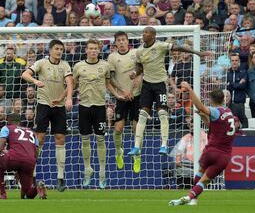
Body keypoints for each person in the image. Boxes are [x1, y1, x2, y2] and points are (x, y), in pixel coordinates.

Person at [127, 27, 211, 173]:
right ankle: (136, 146)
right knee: (142, 115)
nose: (143, 34)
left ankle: (164, 145)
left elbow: (179, 47)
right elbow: (139, 66)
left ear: (153, 36)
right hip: (147, 85)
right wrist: (135, 73)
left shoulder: (160, 46)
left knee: (162, 114)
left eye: (146, 32)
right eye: (143, 32)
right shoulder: (139, 50)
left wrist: (197, 53)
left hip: (160, 84)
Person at [169, 81, 236, 206]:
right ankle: (191, 197)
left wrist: (189, 89)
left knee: (200, 172)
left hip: (211, 151)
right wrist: (204, 118)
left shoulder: (217, 112)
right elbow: (216, 127)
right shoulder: (230, 113)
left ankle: (192, 199)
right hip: (224, 156)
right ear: (224, 99)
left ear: (211, 100)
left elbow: (200, 107)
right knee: (204, 181)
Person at [21, 39, 73, 192]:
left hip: (59, 105)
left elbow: (70, 82)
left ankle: (60, 178)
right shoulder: (41, 63)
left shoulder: (65, 65)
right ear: (50, 50)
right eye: (56, 49)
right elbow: (25, 74)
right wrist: (35, 81)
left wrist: (67, 98)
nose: (59, 51)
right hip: (43, 104)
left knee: (60, 138)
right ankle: (33, 176)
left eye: (61, 49)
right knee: (39, 139)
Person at [73, 39, 120, 189]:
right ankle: (88, 169)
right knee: (85, 139)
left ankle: (102, 172)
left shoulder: (105, 66)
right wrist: (63, 98)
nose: (93, 51)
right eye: (91, 48)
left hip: (100, 107)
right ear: (86, 50)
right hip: (84, 107)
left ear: (99, 50)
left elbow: (108, 84)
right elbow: (72, 85)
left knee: (100, 140)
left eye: (96, 49)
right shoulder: (78, 66)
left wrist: (117, 95)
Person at [0, 113, 47, 199]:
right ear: (19, 122)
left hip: (14, 158)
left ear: (9, 121)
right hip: (30, 161)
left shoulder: (7, 128)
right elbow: (36, 151)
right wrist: (22, 168)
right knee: (26, 195)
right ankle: (37, 188)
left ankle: (3, 194)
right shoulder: (32, 132)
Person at [107, 31, 141, 170]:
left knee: (136, 129)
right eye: (119, 40)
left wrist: (132, 91)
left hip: (136, 95)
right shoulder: (112, 57)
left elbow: (140, 72)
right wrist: (122, 91)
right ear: (115, 43)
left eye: (123, 40)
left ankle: (137, 155)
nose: (121, 42)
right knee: (118, 129)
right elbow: (111, 79)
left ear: (128, 41)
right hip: (121, 97)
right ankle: (118, 151)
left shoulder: (135, 53)